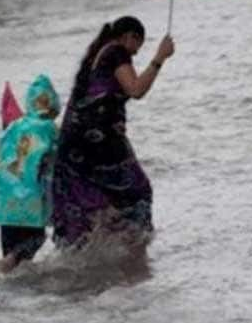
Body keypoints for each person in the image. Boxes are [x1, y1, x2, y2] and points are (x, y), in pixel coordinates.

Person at [51, 16, 174, 259]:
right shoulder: (116, 52)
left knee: (101, 200)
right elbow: (136, 89)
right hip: (98, 141)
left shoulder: (97, 55)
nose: (136, 54)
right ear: (129, 37)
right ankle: (134, 253)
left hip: (77, 141)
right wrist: (160, 58)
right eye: (137, 46)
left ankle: (99, 257)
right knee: (138, 191)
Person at [0, 74, 61, 273]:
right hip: (30, 200)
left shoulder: (14, 126)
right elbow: (60, 158)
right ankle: (8, 263)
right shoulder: (49, 128)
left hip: (4, 203)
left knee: (11, 254)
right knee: (35, 239)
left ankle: (6, 268)